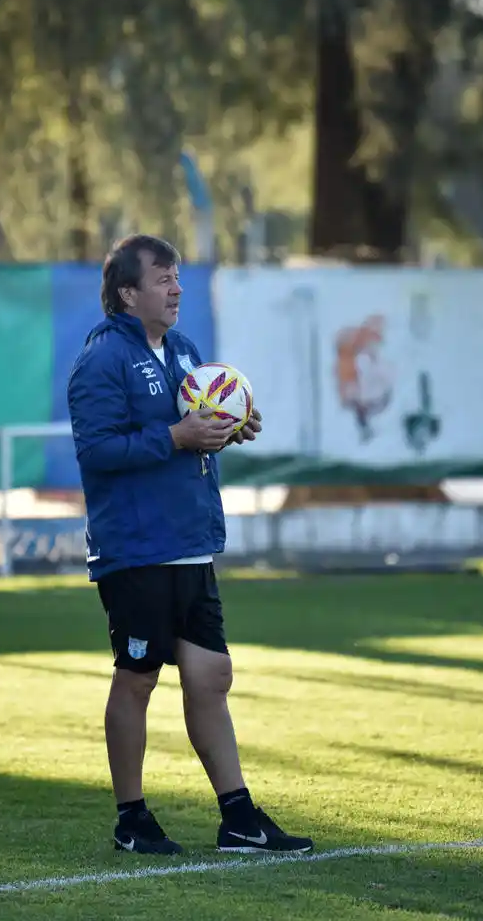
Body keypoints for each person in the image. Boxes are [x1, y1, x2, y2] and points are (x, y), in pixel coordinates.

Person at [67, 234, 314, 856]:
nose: (177, 289)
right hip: (137, 547)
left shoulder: (183, 351)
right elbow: (96, 451)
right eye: (163, 279)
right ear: (128, 293)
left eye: (177, 277)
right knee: (138, 678)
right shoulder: (103, 359)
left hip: (189, 542)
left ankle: (239, 819)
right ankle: (132, 820)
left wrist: (227, 428)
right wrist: (176, 436)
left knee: (211, 674)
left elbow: (192, 432)